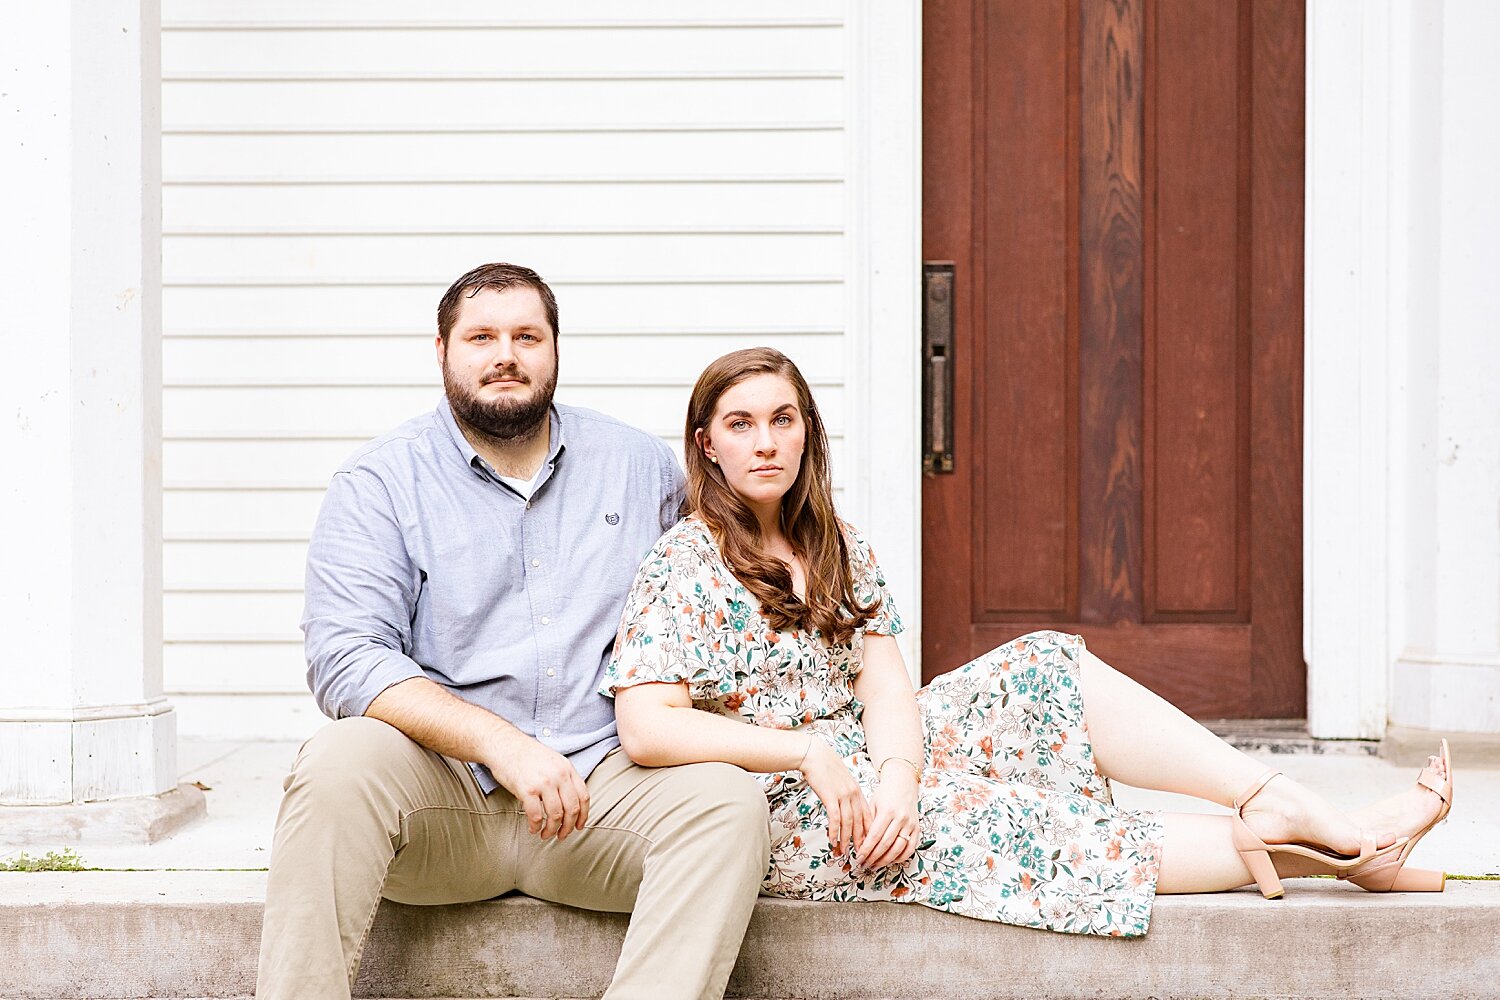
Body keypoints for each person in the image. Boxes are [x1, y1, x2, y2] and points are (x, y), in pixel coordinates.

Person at [603, 347, 1454, 937]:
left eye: (783, 419)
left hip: (869, 765)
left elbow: (888, 687)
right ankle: (1337, 853)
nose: (766, 441)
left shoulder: (836, 541)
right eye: (741, 424)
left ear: (806, 433)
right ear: (706, 445)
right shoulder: (685, 559)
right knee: (985, 814)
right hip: (789, 808)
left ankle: (1274, 797)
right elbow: (647, 727)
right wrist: (806, 757)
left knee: (1043, 665)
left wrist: (897, 773)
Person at [256, 264, 771, 1000]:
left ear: (555, 349)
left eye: (527, 335)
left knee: (728, 805)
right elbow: (345, 659)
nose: (507, 354)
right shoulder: (379, 482)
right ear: (441, 351)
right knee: (338, 759)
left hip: (602, 798)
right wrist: (502, 744)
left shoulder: (640, 467)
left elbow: (723, 593)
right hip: (443, 803)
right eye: (482, 337)